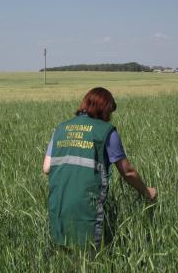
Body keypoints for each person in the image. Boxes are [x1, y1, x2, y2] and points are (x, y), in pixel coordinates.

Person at [42, 87, 157, 250]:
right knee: (90, 258)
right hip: (87, 210)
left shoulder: (61, 128)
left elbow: (47, 168)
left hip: (58, 207)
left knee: (63, 255)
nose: (110, 117)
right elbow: (128, 172)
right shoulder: (106, 132)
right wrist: (147, 192)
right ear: (104, 109)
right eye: (110, 111)